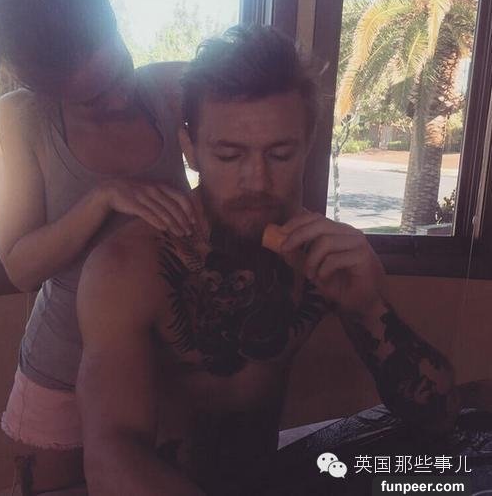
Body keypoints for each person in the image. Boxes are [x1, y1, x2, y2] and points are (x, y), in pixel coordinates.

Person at [76, 25, 461, 495]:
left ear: (308, 142)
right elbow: (110, 456)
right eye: (229, 155)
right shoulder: (128, 266)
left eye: (280, 154)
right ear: (190, 148)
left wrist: (369, 308)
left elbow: (438, 415)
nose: (256, 181)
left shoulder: (330, 255)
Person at [0, 0, 195, 495]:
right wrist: (103, 199)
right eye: (93, 100)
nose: (119, 98)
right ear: (42, 88)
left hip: (169, 362)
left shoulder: (171, 91)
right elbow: (20, 266)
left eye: (120, 68)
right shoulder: (21, 120)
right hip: (62, 375)